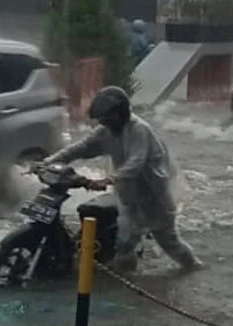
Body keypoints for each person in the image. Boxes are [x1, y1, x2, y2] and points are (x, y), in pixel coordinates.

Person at [42, 85, 203, 273]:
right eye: (102, 119)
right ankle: (127, 275)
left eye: (108, 118)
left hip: (153, 196)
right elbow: (81, 148)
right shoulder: (106, 131)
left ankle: (193, 267)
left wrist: (108, 180)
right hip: (128, 194)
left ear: (121, 113)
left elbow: (136, 162)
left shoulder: (139, 130)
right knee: (125, 241)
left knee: (169, 242)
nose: (105, 123)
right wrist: (49, 161)